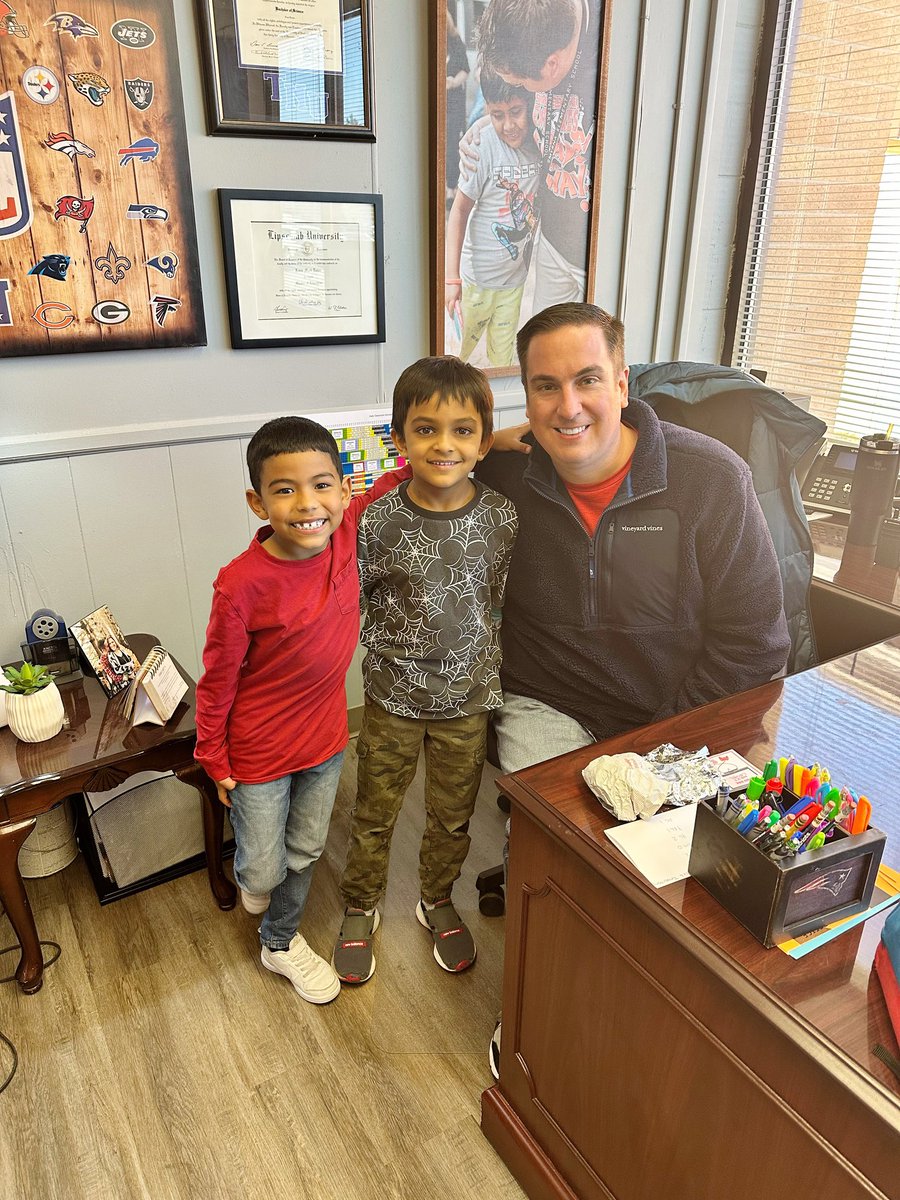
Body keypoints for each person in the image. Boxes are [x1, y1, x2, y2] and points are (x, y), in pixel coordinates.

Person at [476, 303, 791, 774]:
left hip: (682, 705)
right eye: (546, 386)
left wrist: (661, 744)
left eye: (587, 380)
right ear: (526, 398)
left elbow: (755, 642)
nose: (568, 407)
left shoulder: (712, 479)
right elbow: (409, 482)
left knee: (676, 843)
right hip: (550, 703)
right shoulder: (502, 474)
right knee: (550, 841)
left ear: (621, 385)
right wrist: (477, 442)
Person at [194, 417, 408, 1006]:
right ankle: (258, 887)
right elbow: (216, 682)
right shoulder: (240, 586)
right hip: (257, 752)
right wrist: (213, 758)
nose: (308, 504)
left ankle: (279, 942)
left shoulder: (346, 532)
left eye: (322, 485)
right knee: (262, 872)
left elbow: (395, 479)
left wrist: (481, 444)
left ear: (341, 490)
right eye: (285, 490)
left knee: (308, 848)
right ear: (256, 502)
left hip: (326, 741)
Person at [331, 357, 518, 984]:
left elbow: (496, 599)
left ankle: (436, 898)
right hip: (392, 700)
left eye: (463, 430)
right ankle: (360, 904)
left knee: (453, 815)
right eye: (426, 429)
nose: (445, 445)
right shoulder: (378, 523)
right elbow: (349, 601)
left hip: (467, 700)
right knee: (374, 811)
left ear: (484, 441)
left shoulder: (502, 519)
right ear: (400, 436)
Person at [464, 0, 601, 310]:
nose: (521, 88)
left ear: (552, 64)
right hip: (553, 241)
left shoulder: (603, 53)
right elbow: (516, 103)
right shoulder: (532, 29)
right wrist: (484, 126)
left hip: (597, 253)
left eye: (522, 83)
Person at [445, 69, 539, 367]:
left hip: (514, 281)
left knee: (502, 357)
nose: (508, 125)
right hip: (477, 281)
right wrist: (452, 278)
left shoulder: (539, 141)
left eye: (516, 112)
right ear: (487, 108)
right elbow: (458, 211)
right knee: (459, 355)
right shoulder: (482, 146)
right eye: (497, 114)